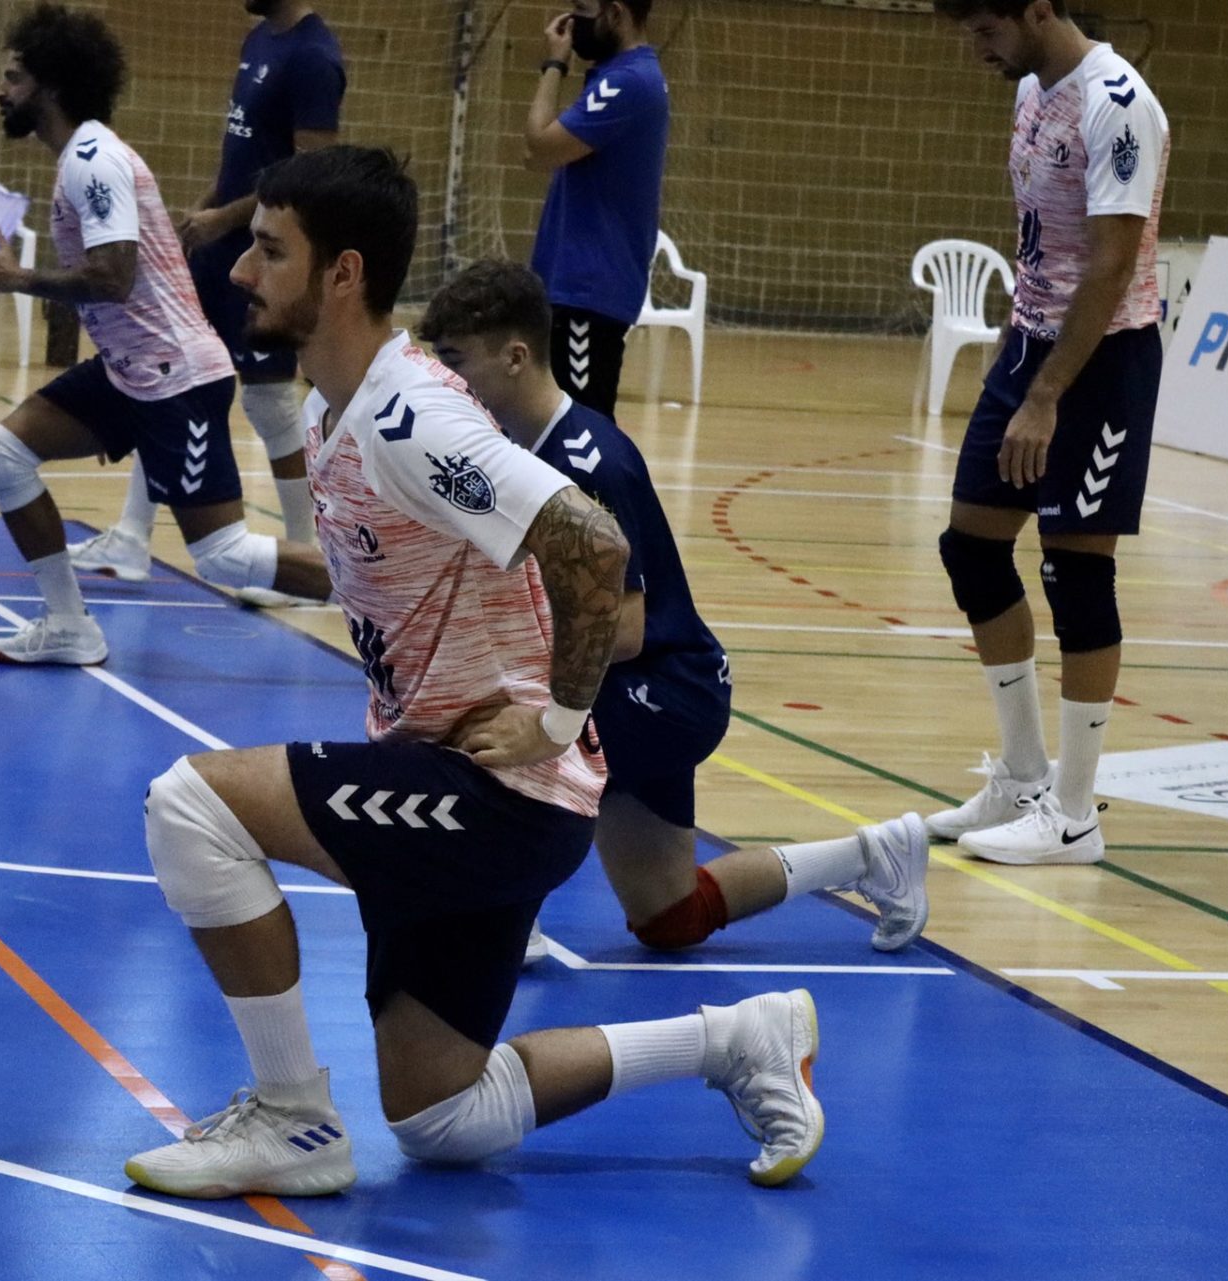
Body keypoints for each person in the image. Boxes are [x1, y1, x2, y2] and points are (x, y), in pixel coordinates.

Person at [122, 145, 825, 1203]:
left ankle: (290, 1118)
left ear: (343, 273)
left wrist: (558, 721)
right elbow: (391, 572)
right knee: (443, 1118)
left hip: (498, 794)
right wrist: (247, 558)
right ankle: (735, 1039)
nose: (240, 272)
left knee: (190, 805)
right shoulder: (332, 410)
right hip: (458, 779)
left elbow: (591, 543)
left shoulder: (411, 417)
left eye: (270, 251)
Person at [420, 259, 928, 959]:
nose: (443, 382)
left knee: (501, 732)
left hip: (664, 689)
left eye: (454, 363)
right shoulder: (509, 452)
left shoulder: (588, 462)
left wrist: (514, 677)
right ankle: (875, 856)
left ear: (514, 357)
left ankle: (505, 915)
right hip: (627, 686)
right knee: (670, 916)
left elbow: (625, 630)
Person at [0, 5, 329, 666]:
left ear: (51, 87)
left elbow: (113, 276)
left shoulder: (93, 161)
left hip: (176, 377)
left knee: (223, 555)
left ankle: (401, 592)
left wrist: (17, 279)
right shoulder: (81, 157)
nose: (1, 91)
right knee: (3, 454)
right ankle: (69, 627)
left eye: (13, 77)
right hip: (132, 371)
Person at [926, 0, 1168, 866]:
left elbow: (1111, 262)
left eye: (985, 30)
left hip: (1101, 363)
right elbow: (1042, 241)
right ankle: (1024, 777)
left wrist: (1048, 394)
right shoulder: (1032, 87)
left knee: (1077, 571)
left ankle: (1072, 816)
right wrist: (1014, 355)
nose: (977, 49)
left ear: (1036, 10)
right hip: (1031, 348)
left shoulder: (1118, 102)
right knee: (971, 548)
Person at [72, 0, 344, 608]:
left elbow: (312, 178)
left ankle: (306, 563)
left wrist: (227, 219)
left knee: (269, 402)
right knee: (168, 376)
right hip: (221, 248)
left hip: (267, 254)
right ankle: (131, 538)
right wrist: (203, 213)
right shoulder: (259, 40)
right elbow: (241, 161)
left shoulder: (313, 58)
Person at [522, 1, 668, 417]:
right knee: (557, 430)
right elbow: (538, 153)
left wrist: (555, 63)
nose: (571, 22)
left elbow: (539, 143)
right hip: (573, 290)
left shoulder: (627, 82)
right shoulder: (618, 77)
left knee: (583, 431)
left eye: (582, 9)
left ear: (616, 14)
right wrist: (543, 148)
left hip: (588, 291)